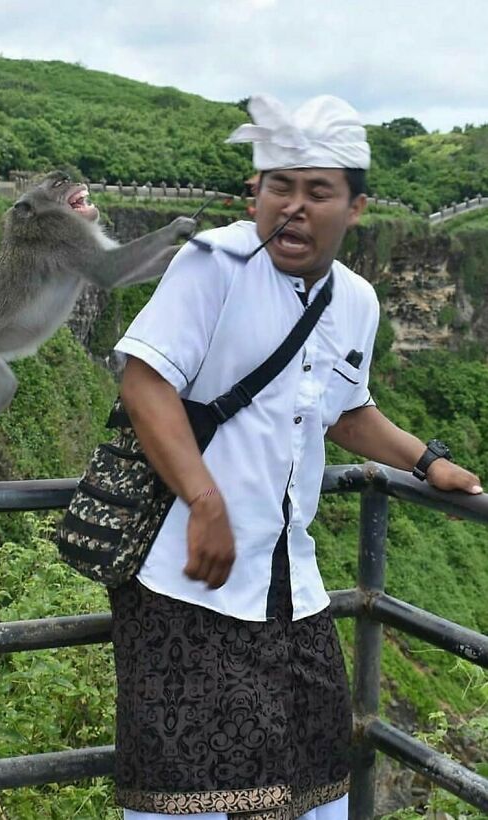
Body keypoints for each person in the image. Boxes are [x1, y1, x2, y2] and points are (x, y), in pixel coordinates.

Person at [108, 93, 482, 820]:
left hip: (291, 585)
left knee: (315, 788)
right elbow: (143, 382)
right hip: (185, 577)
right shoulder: (212, 266)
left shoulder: (358, 302)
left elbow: (345, 410)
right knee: (182, 798)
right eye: (279, 186)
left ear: (356, 207)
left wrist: (426, 460)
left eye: (318, 191)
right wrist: (203, 499)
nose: (294, 207)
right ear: (256, 193)